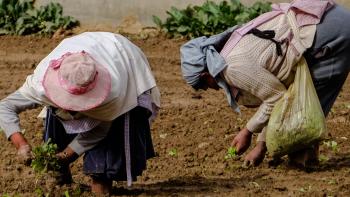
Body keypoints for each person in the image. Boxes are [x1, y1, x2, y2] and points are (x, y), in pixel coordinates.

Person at [181, 0, 350, 168]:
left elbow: (277, 97)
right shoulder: (231, 49)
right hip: (326, 17)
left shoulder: (231, 68)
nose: (205, 89)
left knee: (308, 98)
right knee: (301, 95)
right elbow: (276, 98)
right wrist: (261, 146)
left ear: (205, 74)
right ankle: (302, 156)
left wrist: (247, 132)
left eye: (201, 84)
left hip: (330, 30)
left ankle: (303, 158)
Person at [0, 32, 160, 194]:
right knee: (55, 125)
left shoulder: (113, 93)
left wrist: (66, 155)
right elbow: (5, 107)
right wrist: (21, 144)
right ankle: (61, 182)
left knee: (106, 155)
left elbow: (99, 130)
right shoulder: (40, 84)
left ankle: (101, 187)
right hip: (85, 53)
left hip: (122, 56)